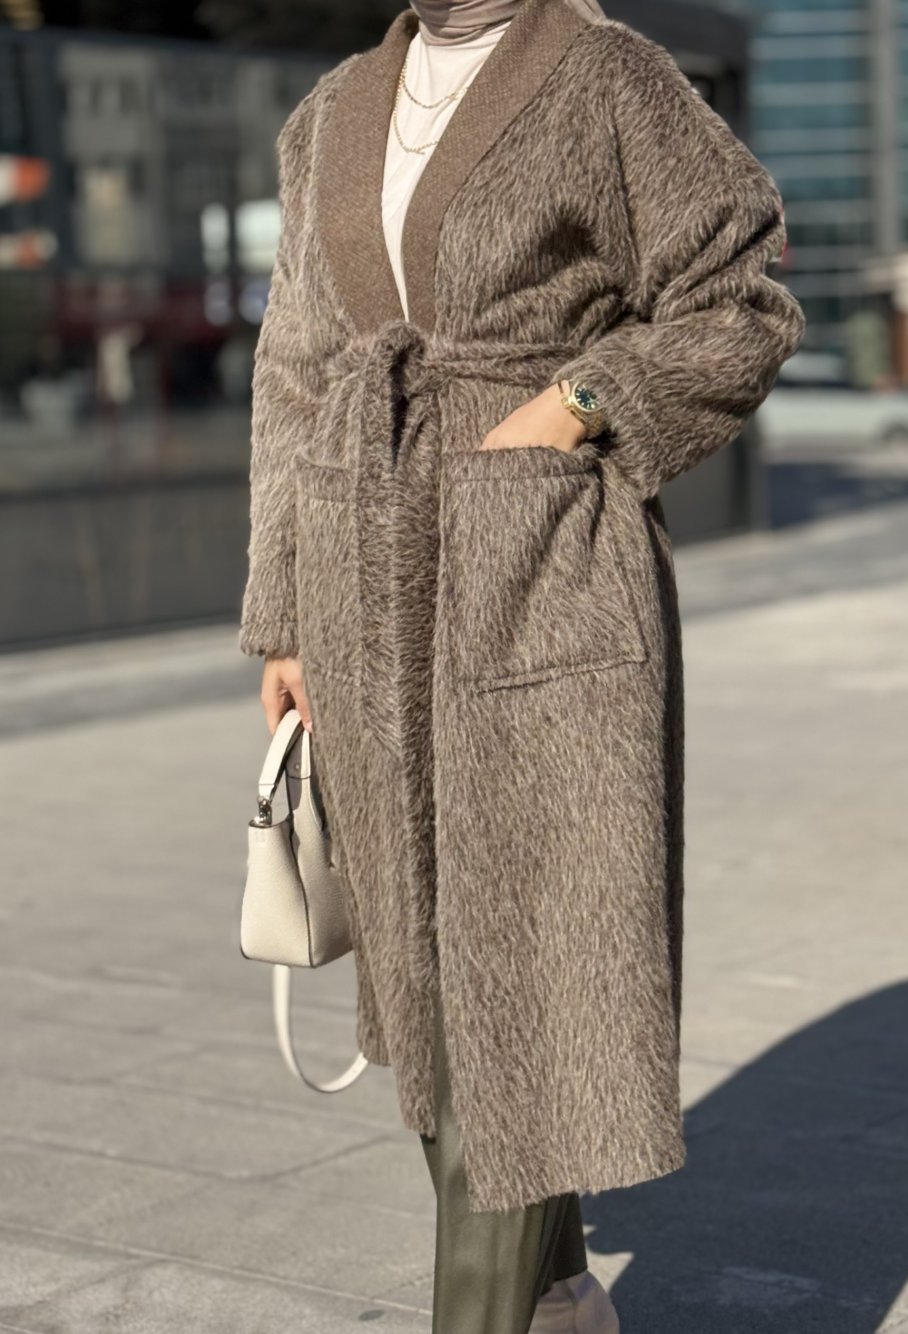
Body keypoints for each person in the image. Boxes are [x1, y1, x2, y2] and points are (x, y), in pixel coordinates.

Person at [238, 0, 806, 1328]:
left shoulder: (608, 78)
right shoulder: (331, 112)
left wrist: (578, 404)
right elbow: (294, 368)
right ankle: (555, 1302)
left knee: (519, 984)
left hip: (543, 576)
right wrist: (286, 613)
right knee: (435, 992)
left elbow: (740, 295)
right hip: (368, 587)